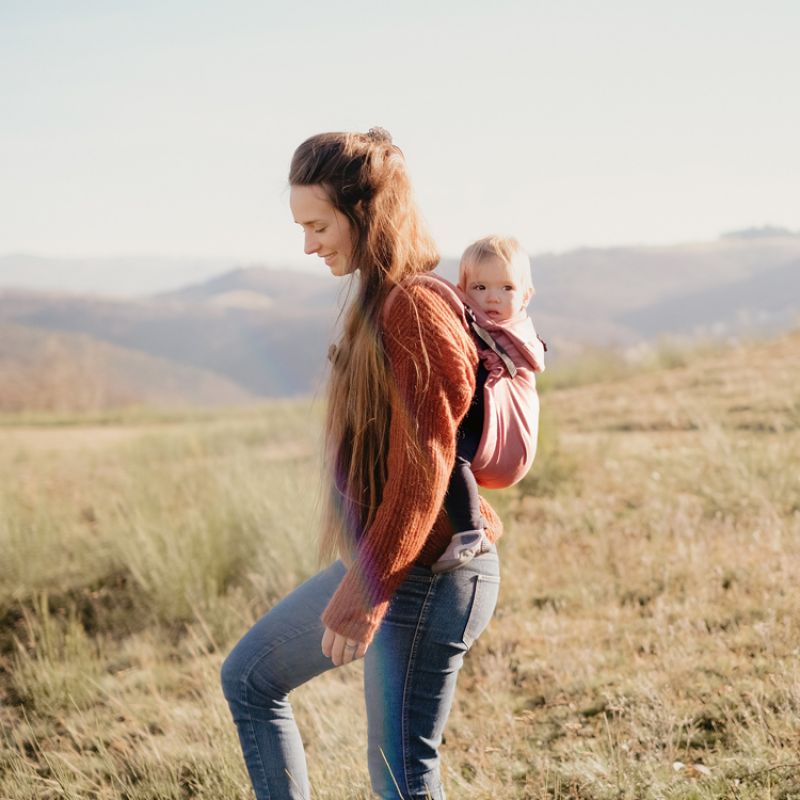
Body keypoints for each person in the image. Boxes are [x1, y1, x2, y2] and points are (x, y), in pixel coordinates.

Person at [220, 128, 503, 800]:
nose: (308, 244)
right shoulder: (380, 303)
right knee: (251, 679)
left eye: (318, 225)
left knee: (400, 780)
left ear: (365, 214)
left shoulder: (413, 308)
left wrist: (365, 593)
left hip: (430, 576)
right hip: (388, 562)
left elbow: (426, 468)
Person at [435, 235, 543, 572]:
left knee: (451, 457)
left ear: (525, 295)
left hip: (500, 425)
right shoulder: (483, 322)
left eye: (506, 288)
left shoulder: (516, 332)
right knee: (446, 454)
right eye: (480, 288)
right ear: (464, 289)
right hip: (480, 412)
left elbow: (520, 358)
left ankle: (470, 532)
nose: (492, 297)